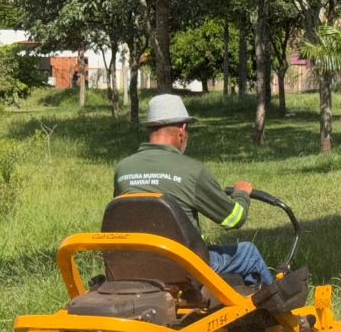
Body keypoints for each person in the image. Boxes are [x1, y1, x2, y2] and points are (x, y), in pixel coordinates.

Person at [113, 94, 274, 288]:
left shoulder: (123, 169)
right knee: (248, 253)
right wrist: (241, 193)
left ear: (150, 128)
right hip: (183, 266)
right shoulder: (191, 171)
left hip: (134, 264)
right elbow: (234, 218)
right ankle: (279, 314)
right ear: (182, 130)